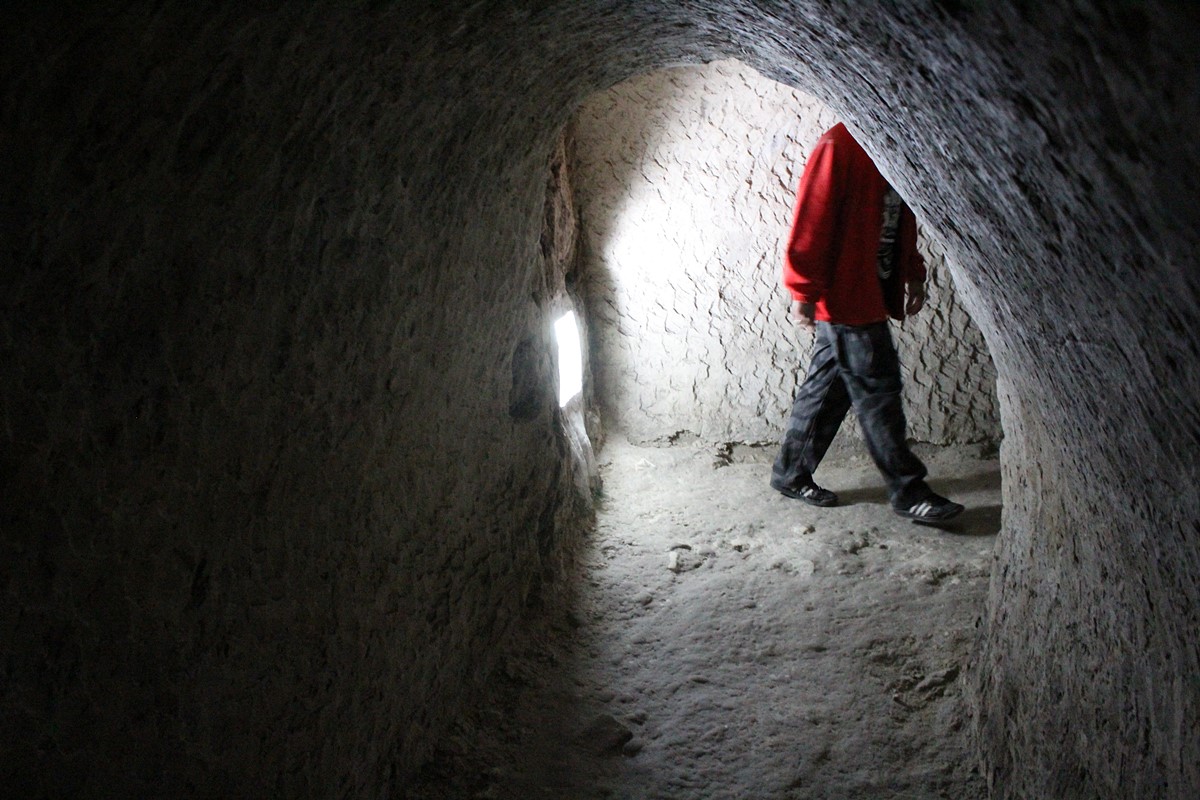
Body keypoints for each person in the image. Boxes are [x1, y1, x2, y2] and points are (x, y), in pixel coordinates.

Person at [770, 122, 964, 522]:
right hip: (847, 294)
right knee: (879, 391)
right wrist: (803, 291)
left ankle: (790, 472)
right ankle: (909, 492)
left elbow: (900, 216)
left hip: (869, 290)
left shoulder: (892, 141)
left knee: (830, 388)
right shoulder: (838, 146)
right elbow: (812, 220)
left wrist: (912, 271)